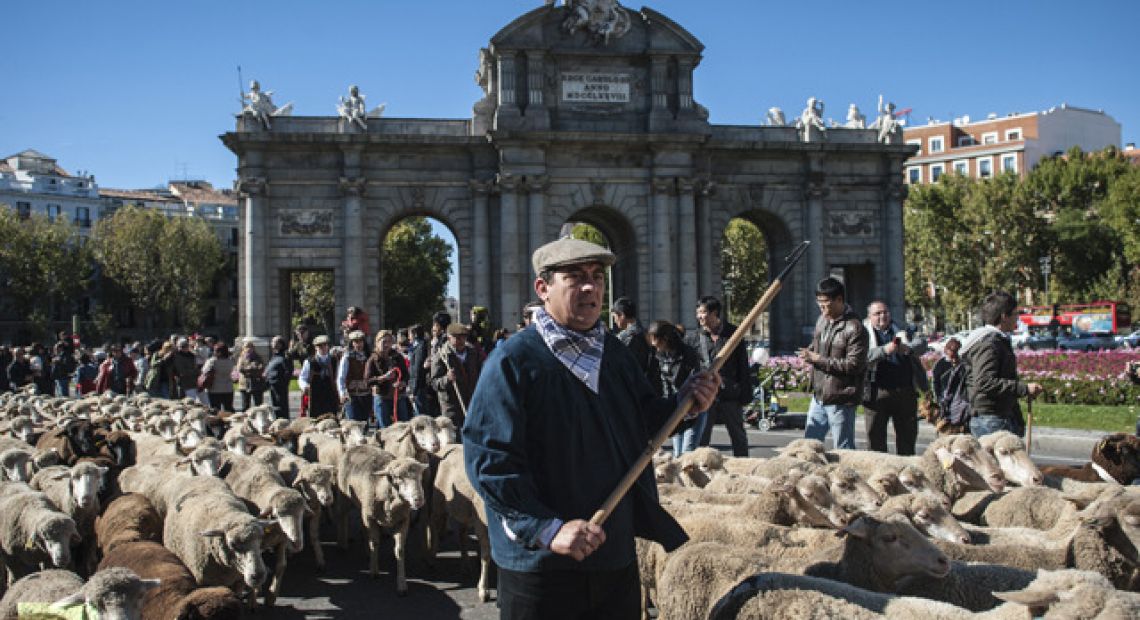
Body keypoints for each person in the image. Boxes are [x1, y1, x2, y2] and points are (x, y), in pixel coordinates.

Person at [464, 237, 720, 620]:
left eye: (598, 277)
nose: (591, 287)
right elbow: (489, 462)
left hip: (612, 554)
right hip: (543, 567)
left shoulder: (615, 353)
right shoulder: (512, 360)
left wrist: (685, 404)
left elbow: (644, 421)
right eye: (575, 277)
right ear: (543, 288)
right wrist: (547, 529)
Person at [960, 291, 1044, 438]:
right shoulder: (988, 343)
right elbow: (984, 382)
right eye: (1015, 314)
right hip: (991, 419)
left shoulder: (997, 340)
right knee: (998, 462)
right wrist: (1023, 388)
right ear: (1004, 316)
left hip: (997, 416)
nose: (1018, 318)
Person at [799, 277, 868, 450]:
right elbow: (818, 345)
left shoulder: (855, 327)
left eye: (826, 304)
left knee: (843, 448)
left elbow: (854, 365)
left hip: (841, 397)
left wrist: (817, 359)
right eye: (819, 304)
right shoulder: (822, 320)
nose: (822, 309)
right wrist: (808, 354)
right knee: (809, 446)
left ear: (839, 300)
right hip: (819, 395)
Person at [862, 301, 928, 456]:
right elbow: (860, 357)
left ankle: (906, 476)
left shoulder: (902, 328)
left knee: (907, 439)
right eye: (877, 313)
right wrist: (885, 350)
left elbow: (923, 343)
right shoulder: (862, 333)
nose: (882, 316)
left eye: (885, 312)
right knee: (875, 441)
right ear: (869, 317)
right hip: (876, 392)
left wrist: (909, 348)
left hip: (905, 391)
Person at [690, 296, 752, 457]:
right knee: (702, 438)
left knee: (738, 436)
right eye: (698, 313)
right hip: (706, 395)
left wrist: (744, 393)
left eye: (703, 312)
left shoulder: (733, 333)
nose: (700, 317)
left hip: (729, 394)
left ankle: (743, 467)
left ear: (714, 313)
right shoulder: (695, 337)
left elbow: (743, 366)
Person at [647, 321, 705, 457]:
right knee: (677, 453)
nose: (655, 346)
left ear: (665, 339)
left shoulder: (688, 354)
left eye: (656, 342)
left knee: (687, 452)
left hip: (692, 406)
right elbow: (663, 382)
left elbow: (694, 379)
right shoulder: (660, 356)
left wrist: (690, 403)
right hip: (674, 406)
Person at [430, 323, 483, 429]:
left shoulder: (472, 353)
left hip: (471, 402)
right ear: (449, 337)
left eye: (464, 337)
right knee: (455, 438)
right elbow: (434, 383)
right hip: (452, 406)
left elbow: (480, 372)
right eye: (457, 338)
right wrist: (447, 379)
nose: (461, 341)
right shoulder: (441, 356)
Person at [365, 330, 410, 427]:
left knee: (404, 426)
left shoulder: (398, 357)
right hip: (382, 398)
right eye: (384, 342)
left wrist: (402, 382)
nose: (386, 345)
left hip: (398, 397)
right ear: (377, 342)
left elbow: (406, 374)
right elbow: (367, 381)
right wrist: (383, 378)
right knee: (385, 428)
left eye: (389, 342)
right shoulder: (372, 359)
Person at [611, 297, 652, 379]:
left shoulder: (630, 337)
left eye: (614, 317)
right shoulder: (644, 332)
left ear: (622, 315)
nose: (615, 321)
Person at [300, 335, 340, 418]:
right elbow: (302, 378)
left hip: (330, 395)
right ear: (315, 347)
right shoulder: (309, 361)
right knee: (315, 421)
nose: (323, 348)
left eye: (325, 345)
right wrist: (305, 386)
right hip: (315, 396)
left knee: (331, 420)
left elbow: (339, 377)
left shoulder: (334, 360)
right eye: (320, 346)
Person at [337, 331, 371, 423]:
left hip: (366, 395)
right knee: (354, 422)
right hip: (351, 396)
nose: (358, 344)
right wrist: (342, 393)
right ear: (352, 343)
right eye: (355, 342)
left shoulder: (369, 357)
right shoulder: (347, 357)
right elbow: (341, 377)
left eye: (360, 341)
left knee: (364, 423)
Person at [263, 336, 293, 420]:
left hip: (280, 385)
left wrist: (283, 383)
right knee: (275, 406)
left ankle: (283, 422)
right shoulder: (274, 356)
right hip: (272, 385)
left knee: (281, 406)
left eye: (274, 342)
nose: (272, 343)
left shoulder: (285, 356)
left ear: (280, 344)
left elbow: (288, 371)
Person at [201, 343, 236, 412]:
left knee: (215, 409)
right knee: (228, 408)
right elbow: (235, 375)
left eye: (215, 351)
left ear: (219, 352)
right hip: (228, 388)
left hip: (214, 388)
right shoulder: (231, 361)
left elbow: (204, 371)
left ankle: (217, 422)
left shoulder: (212, 361)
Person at [237, 339, 267, 411]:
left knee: (258, 405)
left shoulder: (258, 357)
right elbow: (240, 369)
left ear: (253, 348)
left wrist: (249, 369)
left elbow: (261, 368)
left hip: (256, 384)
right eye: (246, 347)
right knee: (245, 405)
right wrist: (251, 368)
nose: (248, 349)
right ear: (243, 348)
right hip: (244, 384)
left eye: (250, 347)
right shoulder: (241, 358)